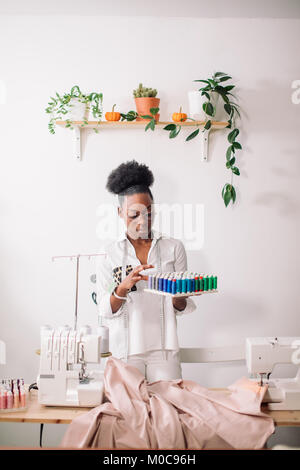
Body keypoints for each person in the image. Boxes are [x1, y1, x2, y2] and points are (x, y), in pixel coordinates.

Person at [96, 160, 196, 382]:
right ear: (120, 212)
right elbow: (104, 309)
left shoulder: (173, 247)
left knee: (169, 406)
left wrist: (179, 296)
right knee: (128, 410)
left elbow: (180, 306)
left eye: (149, 212)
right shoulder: (108, 253)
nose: (144, 221)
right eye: (134, 215)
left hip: (164, 349)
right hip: (124, 350)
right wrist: (123, 287)